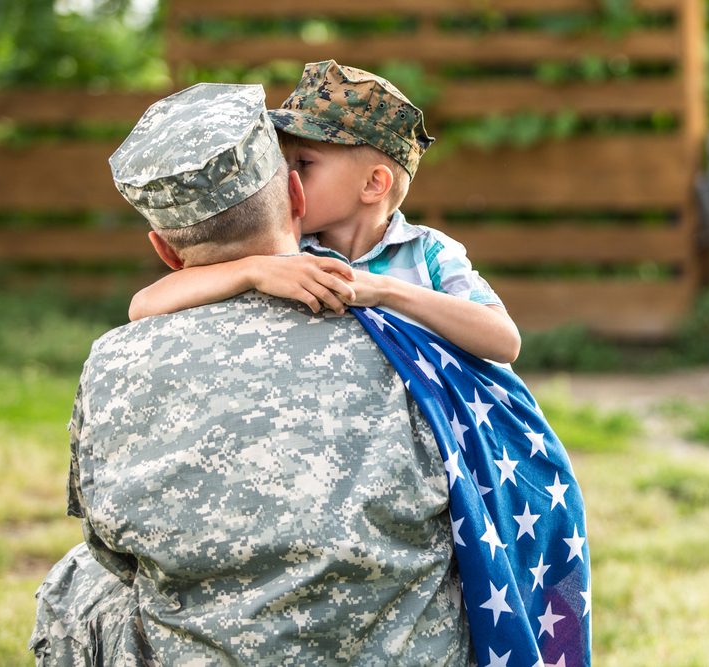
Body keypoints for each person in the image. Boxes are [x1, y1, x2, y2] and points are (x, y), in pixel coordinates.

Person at [30, 82, 472, 665]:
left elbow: (112, 552)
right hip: (399, 649)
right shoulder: (411, 340)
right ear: (295, 194)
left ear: (164, 250)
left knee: (78, 583)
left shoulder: (114, 364)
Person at [128, 60, 521, 364]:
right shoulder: (287, 252)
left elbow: (504, 341)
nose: (286, 176)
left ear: (373, 185)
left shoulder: (427, 252)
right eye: (284, 161)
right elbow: (143, 305)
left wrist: (384, 291)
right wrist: (253, 270)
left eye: (305, 163)